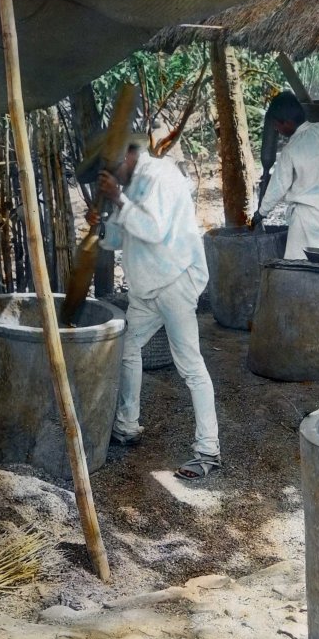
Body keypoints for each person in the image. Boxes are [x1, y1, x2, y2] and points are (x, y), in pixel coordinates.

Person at [85, 134, 221, 481]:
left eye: (112, 167)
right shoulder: (128, 184)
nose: (110, 174)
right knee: (127, 348)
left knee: (189, 366)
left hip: (175, 281)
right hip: (146, 286)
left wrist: (118, 198)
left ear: (129, 155)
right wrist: (101, 222)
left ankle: (208, 451)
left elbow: (154, 229)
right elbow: (116, 239)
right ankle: (127, 426)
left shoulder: (162, 176)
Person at [250, 91, 319, 258]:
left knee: (297, 267)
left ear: (289, 123)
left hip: (305, 219)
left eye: (277, 125)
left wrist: (261, 213)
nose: (276, 129)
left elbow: (278, 187)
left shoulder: (291, 150)